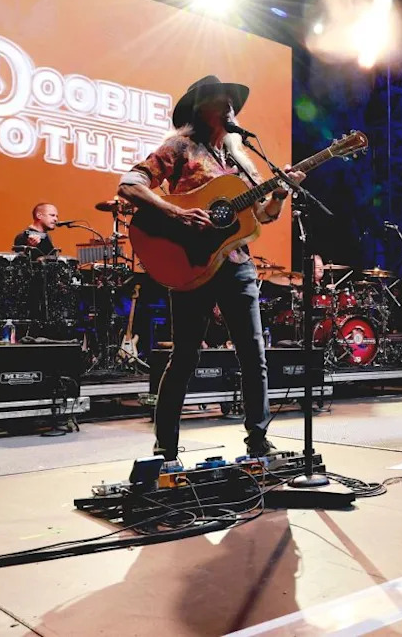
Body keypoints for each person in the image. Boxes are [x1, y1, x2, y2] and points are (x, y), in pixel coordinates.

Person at [117, 75, 304, 461]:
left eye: (232, 102)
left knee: (254, 354)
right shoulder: (179, 148)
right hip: (190, 263)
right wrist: (177, 214)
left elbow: (262, 215)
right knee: (185, 356)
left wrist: (280, 194)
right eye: (222, 100)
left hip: (236, 263)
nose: (230, 107)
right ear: (202, 109)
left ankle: (258, 439)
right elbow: (130, 184)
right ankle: (165, 447)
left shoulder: (240, 163)